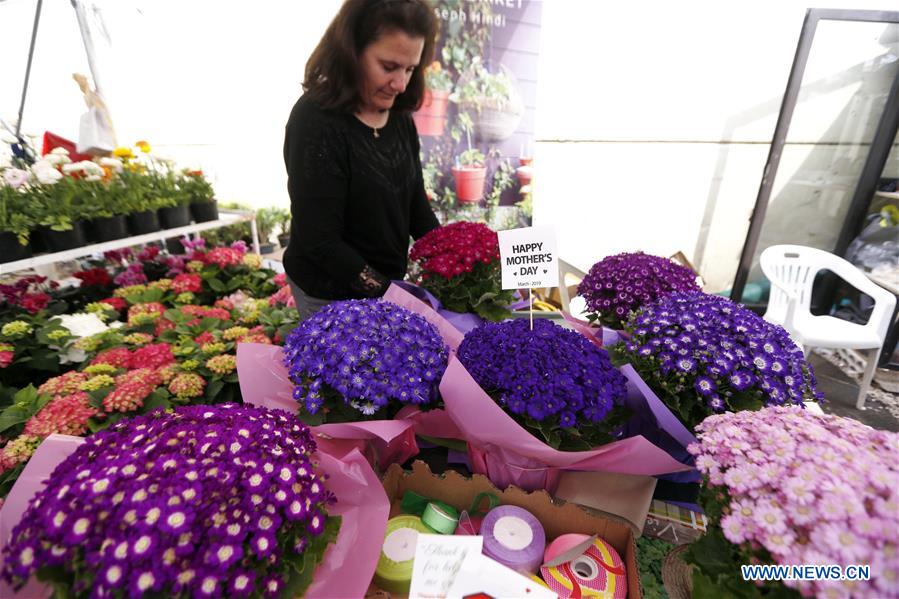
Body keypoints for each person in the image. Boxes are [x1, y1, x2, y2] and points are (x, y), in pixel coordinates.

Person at [283, 0, 440, 320]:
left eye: (410, 69)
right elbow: (320, 241)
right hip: (327, 294)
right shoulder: (315, 120)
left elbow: (415, 205)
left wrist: (452, 259)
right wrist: (395, 296)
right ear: (351, 52)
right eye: (388, 66)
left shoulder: (398, 117)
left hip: (386, 287)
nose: (401, 84)